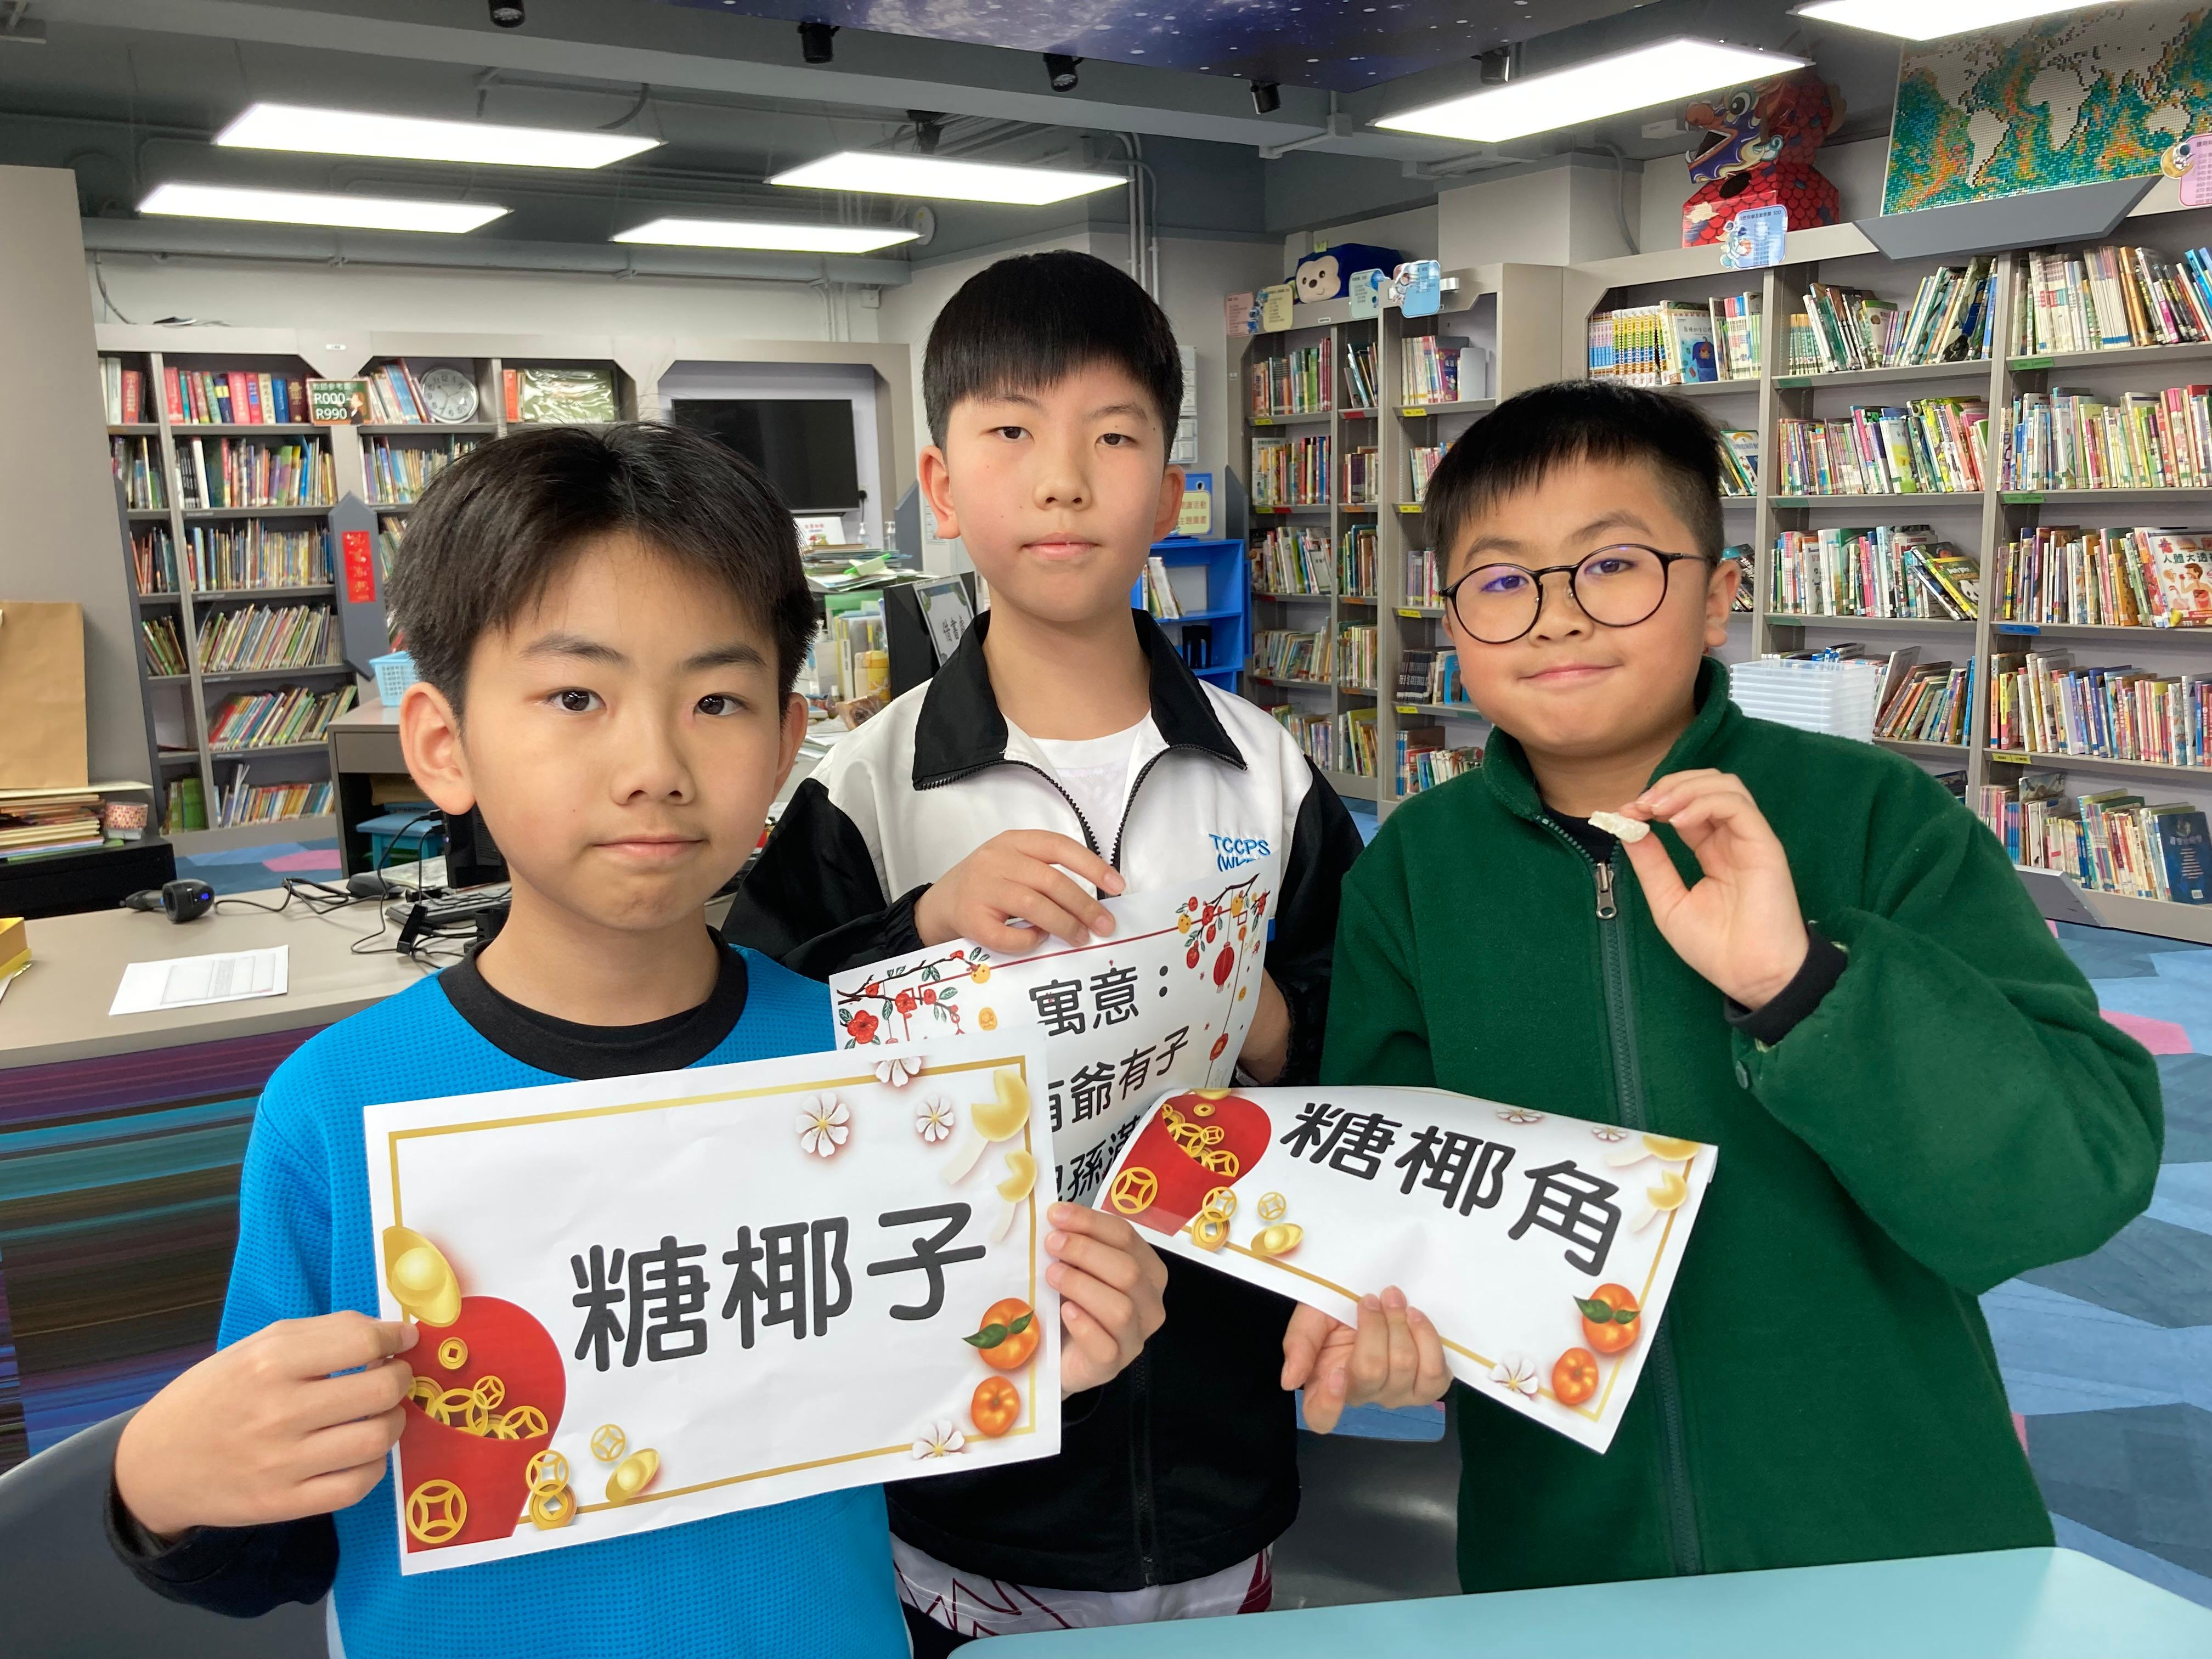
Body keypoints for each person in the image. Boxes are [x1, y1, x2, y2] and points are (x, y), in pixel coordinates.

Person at [104, 424, 1165, 1658]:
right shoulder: (338, 1108)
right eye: (576, 697)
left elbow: (892, 1433)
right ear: (444, 744)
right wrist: (158, 1485)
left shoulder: (869, 1066)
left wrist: (1047, 1357)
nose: (654, 765)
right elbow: (284, 1544)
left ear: (784, 742)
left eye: (716, 700)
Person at [1321, 380, 2163, 1592]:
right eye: (1500, 582)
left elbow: (2071, 1183)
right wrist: (1385, 1316)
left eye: (1613, 565)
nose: (1555, 618)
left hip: (1892, 1533)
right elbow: (1390, 1182)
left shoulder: (1875, 819)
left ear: (1719, 596)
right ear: (1451, 623)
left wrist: (1800, 982)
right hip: (1566, 1549)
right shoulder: (1414, 870)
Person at [724, 250, 1383, 1647]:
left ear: (1171, 492)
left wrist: (1272, 1021)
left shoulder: (1265, 770)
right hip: (961, 1461)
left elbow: (1375, 1044)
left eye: (1114, 438)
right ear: (942, 483)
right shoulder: (869, 784)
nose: (1065, 482)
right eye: (1013, 432)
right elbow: (755, 1061)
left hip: (1217, 1441)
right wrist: (919, 932)